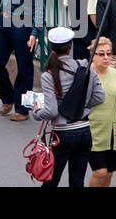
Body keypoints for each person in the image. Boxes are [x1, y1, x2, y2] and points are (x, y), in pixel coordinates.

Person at [32, 26, 105, 187]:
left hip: (63, 134)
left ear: (51, 46)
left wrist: (36, 112)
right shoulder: (86, 68)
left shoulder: (48, 75)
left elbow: (51, 111)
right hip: (85, 131)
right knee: (77, 181)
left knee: (51, 179)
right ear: (71, 45)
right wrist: (81, 106)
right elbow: (100, 97)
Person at [86, 37, 116, 187]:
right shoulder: (86, 74)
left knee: (109, 172)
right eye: (101, 54)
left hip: (112, 131)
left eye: (109, 54)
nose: (106, 57)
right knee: (100, 171)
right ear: (93, 54)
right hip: (92, 130)